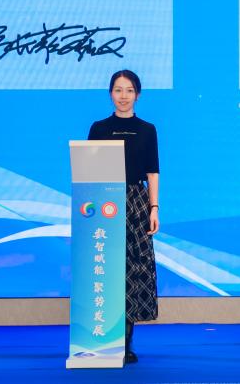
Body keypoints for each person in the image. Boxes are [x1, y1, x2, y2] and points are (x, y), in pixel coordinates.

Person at [88, 70, 159, 364]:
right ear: (110, 94)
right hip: (104, 203)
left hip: (136, 203)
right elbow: (88, 172)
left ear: (137, 95)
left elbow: (152, 173)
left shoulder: (147, 129)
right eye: (118, 90)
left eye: (129, 90)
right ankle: (105, 336)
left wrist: (154, 207)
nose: (123, 96)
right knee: (108, 265)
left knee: (133, 269)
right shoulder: (99, 128)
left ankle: (126, 340)